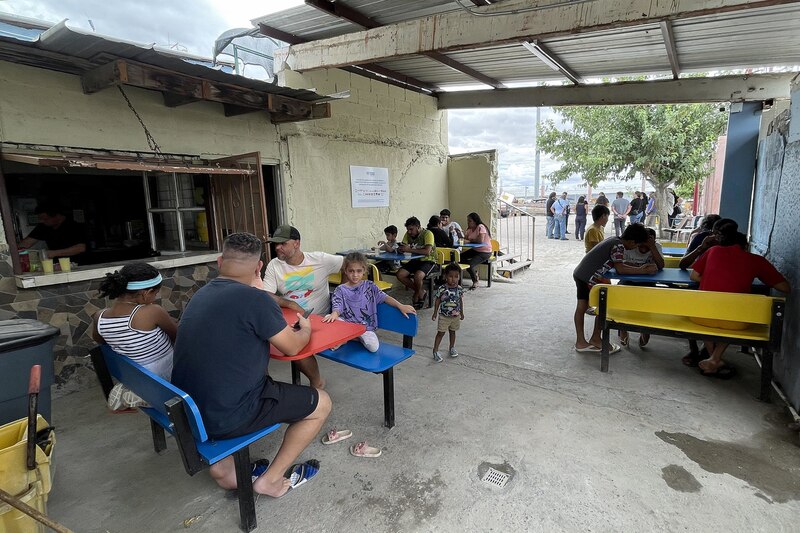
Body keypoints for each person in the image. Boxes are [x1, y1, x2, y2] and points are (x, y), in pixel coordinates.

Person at [172, 232, 329, 498]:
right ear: (259, 267)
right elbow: (291, 346)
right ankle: (271, 480)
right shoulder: (255, 300)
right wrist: (305, 328)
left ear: (220, 262)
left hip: (188, 409)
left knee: (229, 380)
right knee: (322, 403)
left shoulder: (200, 295)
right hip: (229, 414)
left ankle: (224, 470)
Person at [690, 223, 790, 377]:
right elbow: (784, 288)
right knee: (734, 314)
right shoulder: (755, 260)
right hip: (736, 322)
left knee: (708, 311)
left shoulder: (713, 251)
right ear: (745, 246)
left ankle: (713, 359)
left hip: (701, 318)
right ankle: (715, 358)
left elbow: (694, 276)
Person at [262, 225, 343, 389]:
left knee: (295, 348)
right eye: (275, 244)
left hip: (320, 319)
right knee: (255, 338)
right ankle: (263, 388)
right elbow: (265, 295)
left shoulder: (320, 259)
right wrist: (290, 304)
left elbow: (352, 265)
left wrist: (343, 293)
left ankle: (317, 383)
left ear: (296, 243)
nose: (277, 247)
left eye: (282, 243)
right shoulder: (274, 265)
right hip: (291, 320)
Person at [91, 263, 177, 410]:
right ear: (145, 293)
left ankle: (133, 391)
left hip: (135, 376)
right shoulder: (152, 311)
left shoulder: (100, 317)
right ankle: (148, 395)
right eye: (154, 294)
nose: (154, 299)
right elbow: (177, 337)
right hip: (164, 375)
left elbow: (101, 341)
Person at [573, 224, 655, 353]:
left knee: (581, 308)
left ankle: (581, 342)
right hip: (589, 278)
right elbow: (620, 269)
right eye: (636, 245)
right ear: (633, 241)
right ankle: (595, 338)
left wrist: (637, 267)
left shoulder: (614, 240)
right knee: (604, 306)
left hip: (581, 274)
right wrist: (642, 270)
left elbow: (619, 263)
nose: (635, 248)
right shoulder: (619, 246)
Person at [323, 252, 416, 352]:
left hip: (365, 328)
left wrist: (400, 306)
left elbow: (384, 297)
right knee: (329, 318)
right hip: (347, 325)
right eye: (351, 271)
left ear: (364, 271)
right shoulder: (341, 289)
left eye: (359, 271)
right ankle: (347, 337)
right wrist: (334, 313)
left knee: (373, 348)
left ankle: (348, 338)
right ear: (345, 271)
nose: (355, 275)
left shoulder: (370, 286)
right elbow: (338, 305)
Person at [618, 226, 664, 347]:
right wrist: (640, 268)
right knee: (622, 301)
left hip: (647, 283)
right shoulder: (630, 246)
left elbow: (660, 265)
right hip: (628, 281)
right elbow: (620, 263)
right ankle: (623, 329)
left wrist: (652, 247)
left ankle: (645, 329)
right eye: (642, 243)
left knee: (647, 305)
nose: (644, 247)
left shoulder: (656, 247)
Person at [18, 202, 88, 264]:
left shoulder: (74, 226)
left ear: (57, 216)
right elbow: (26, 243)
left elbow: (81, 248)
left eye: (45, 219)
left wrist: (54, 253)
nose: (42, 221)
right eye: (40, 219)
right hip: (57, 266)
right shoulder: (43, 226)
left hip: (79, 265)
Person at [396, 216, 437, 308]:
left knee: (417, 276)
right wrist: (400, 249)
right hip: (415, 260)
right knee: (400, 274)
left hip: (429, 260)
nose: (409, 232)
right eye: (408, 229)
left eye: (411, 229)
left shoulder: (428, 233)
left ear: (418, 227)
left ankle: (416, 294)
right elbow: (404, 245)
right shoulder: (408, 234)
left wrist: (409, 250)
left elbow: (427, 251)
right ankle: (420, 291)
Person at [431, 263, 465, 363]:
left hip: (455, 316)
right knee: (441, 333)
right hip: (444, 316)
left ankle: (452, 347)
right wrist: (435, 313)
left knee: (453, 332)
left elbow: (460, 301)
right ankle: (435, 351)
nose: (453, 279)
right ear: (445, 276)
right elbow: (437, 300)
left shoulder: (459, 289)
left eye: (456, 277)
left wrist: (462, 313)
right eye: (450, 276)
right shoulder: (442, 289)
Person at [460, 212, 492, 290]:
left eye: (470, 221)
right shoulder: (469, 229)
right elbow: (465, 239)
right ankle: (472, 273)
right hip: (475, 249)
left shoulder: (481, 227)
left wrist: (469, 241)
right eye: (467, 221)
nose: (468, 222)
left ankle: (475, 281)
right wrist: (460, 233)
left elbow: (480, 240)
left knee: (470, 264)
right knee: (459, 258)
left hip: (485, 251)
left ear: (475, 221)